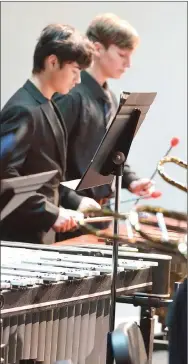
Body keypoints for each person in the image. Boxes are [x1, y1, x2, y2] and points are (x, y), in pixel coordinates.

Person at [53, 14, 155, 226]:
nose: (128, 64)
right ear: (97, 49)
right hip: (74, 216)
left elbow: (110, 152)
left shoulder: (109, 97)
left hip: (101, 212)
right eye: (122, 55)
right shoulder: (70, 96)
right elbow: (50, 162)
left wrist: (132, 181)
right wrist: (73, 199)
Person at [0, 23, 94, 244]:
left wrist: (75, 200)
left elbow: (48, 174)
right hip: (18, 239)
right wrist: (50, 213)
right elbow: (5, 179)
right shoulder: (22, 110)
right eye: (75, 71)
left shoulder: (48, 104)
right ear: (52, 62)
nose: (78, 80)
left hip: (39, 238)